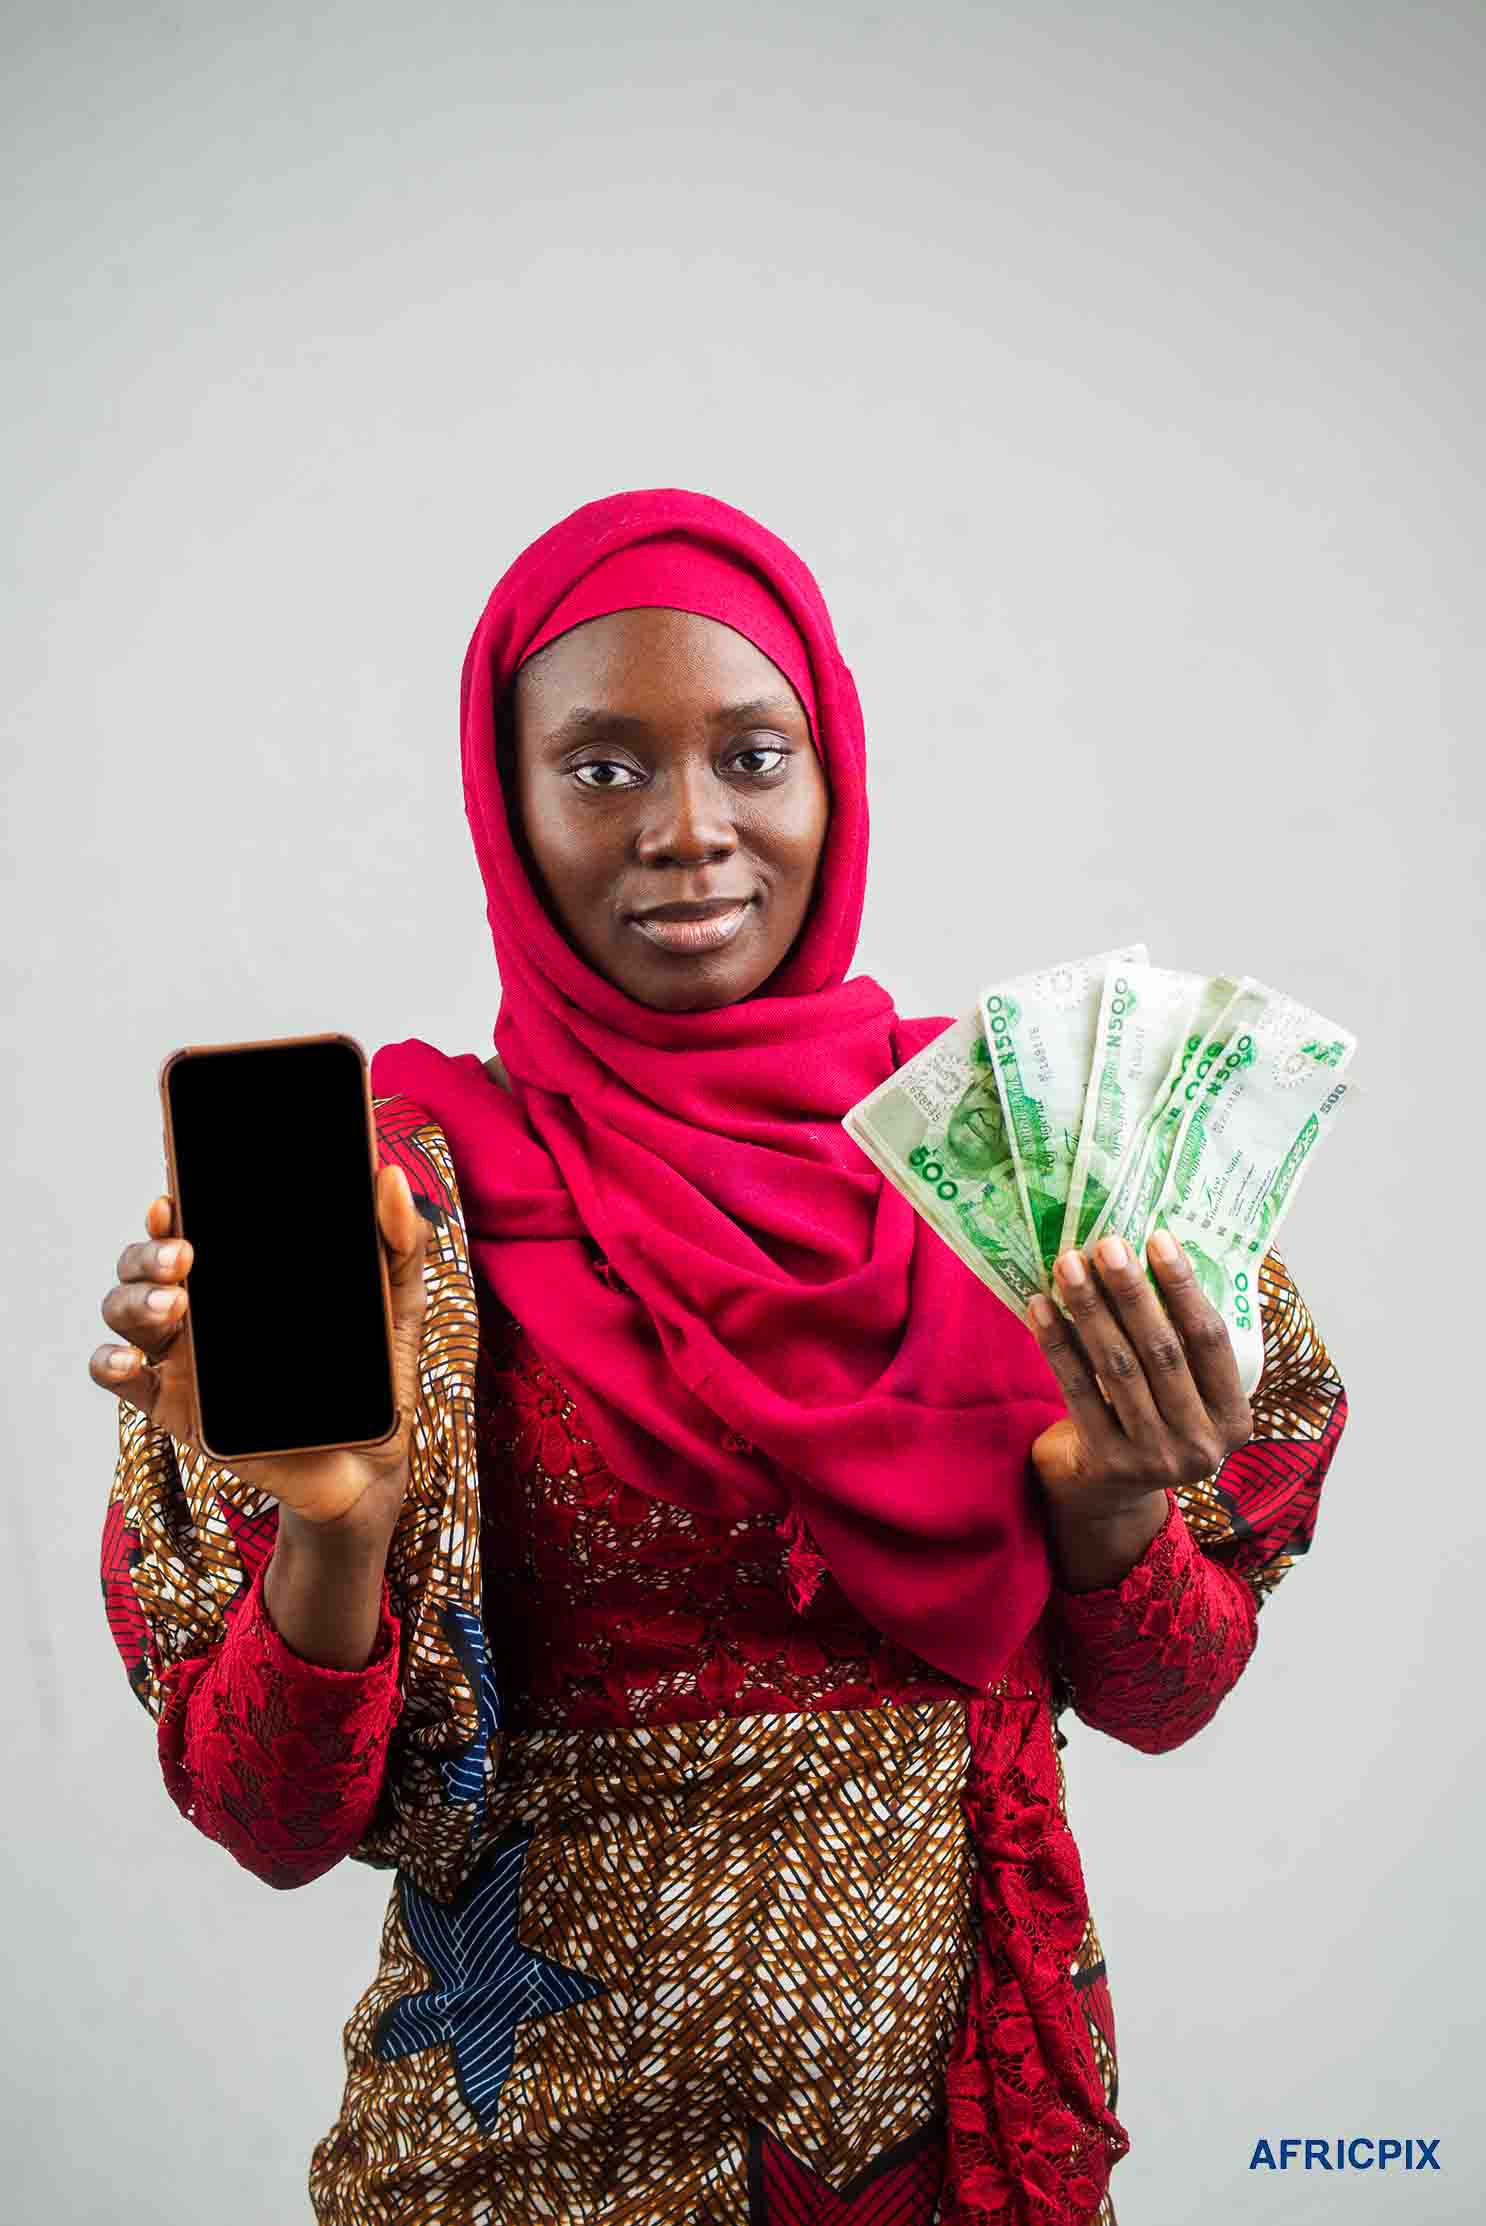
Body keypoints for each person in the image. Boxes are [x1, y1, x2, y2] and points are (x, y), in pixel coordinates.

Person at [94, 487, 1349, 2226]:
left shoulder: (1026, 1171)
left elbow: (1164, 1697)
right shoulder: (394, 1219)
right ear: (506, 807)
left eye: (753, 757)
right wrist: (336, 1527)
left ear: (831, 775)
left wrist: (1117, 1503)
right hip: (513, 2173)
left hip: (947, 2161)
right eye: (603, 768)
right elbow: (272, 1819)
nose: (689, 829)